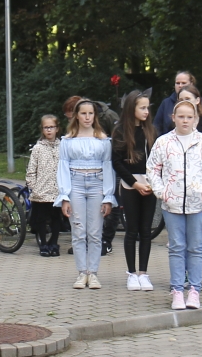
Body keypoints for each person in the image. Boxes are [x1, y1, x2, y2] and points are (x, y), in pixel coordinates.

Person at [148, 98, 202, 310]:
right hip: (172, 204)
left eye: (189, 117)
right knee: (177, 246)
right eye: (181, 116)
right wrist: (161, 191)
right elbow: (153, 168)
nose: (185, 121)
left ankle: (194, 290)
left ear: (196, 119)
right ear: (173, 118)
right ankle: (177, 290)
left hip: (198, 204)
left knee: (196, 247)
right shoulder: (164, 142)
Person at [58, 99, 117, 290]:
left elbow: (108, 167)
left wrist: (108, 196)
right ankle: (81, 272)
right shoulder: (67, 140)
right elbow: (63, 167)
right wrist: (65, 196)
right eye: (83, 113)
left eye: (90, 113)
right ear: (76, 115)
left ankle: (93, 273)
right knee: (78, 230)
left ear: (95, 116)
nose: (87, 117)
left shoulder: (102, 139)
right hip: (75, 183)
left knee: (94, 232)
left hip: (96, 184)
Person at [114, 91, 158, 290]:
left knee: (146, 231)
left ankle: (143, 273)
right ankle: (131, 273)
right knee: (132, 230)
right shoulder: (121, 131)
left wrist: (152, 183)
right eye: (142, 107)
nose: (146, 111)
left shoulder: (152, 131)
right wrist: (134, 183)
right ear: (132, 108)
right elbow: (117, 162)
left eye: (148, 107)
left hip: (150, 185)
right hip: (130, 185)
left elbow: (158, 160)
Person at [24, 114, 64, 256]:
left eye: (51, 127)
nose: (49, 130)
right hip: (41, 190)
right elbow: (31, 169)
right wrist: (33, 187)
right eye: (46, 127)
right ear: (42, 130)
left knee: (55, 218)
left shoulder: (63, 146)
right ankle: (43, 243)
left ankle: (54, 242)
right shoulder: (38, 148)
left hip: (58, 190)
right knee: (41, 218)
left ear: (57, 129)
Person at [153, 70, 202, 136]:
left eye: (183, 83)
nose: (180, 85)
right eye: (177, 83)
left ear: (191, 83)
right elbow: (157, 127)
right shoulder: (166, 103)